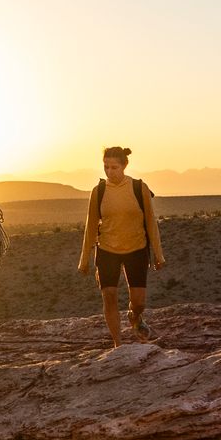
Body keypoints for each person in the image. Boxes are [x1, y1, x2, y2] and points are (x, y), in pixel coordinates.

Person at [77, 144, 162, 346]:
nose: (109, 171)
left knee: (139, 301)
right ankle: (118, 343)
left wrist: (158, 254)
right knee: (109, 295)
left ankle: (135, 316)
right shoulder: (99, 191)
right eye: (105, 167)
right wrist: (84, 259)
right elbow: (90, 226)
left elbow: (150, 222)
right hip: (107, 249)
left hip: (137, 248)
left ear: (124, 166)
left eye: (113, 167)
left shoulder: (138, 187)